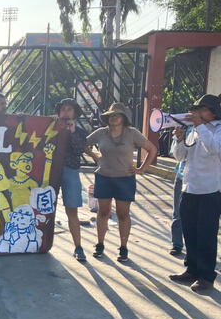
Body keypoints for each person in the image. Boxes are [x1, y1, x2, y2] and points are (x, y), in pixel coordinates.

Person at [86, 102, 157, 262]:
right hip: (104, 177)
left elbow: (152, 149)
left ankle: (123, 247)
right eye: (111, 115)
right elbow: (84, 143)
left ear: (123, 118)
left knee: (123, 214)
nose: (113, 117)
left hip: (125, 178)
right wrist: (94, 156)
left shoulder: (132, 133)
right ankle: (100, 244)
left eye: (117, 115)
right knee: (103, 212)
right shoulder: (101, 133)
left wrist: (141, 169)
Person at [169, 94, 221, 292]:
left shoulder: (217, 130)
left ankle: (206, 276)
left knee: (206, 234)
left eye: (203, 109)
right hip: (190, 188)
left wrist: (199, 126)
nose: (197, 113)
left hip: (210, 190)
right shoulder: (194, 130)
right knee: (190, 232)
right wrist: (179, 140)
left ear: (213, 112)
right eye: (197, 110)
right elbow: (180, 156)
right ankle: (192, 269)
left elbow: (215, 149)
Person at [55, 98, 89, 261]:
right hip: (51, 171)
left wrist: (73, 131)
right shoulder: (50, 127)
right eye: (63, 109)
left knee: (72, 211)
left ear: (74, 113)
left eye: (69, 109)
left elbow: (77, 151)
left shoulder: (80, 132)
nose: (66, 112)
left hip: (70, 170)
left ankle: (78, 247)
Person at [169, 127, 191, 256]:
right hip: (182, 176)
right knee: (177, 213)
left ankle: (195, 247)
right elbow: (178, 156)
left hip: (202, 180)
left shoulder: (214, 130)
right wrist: (179, 139)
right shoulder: (185, 129)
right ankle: (177, 244)